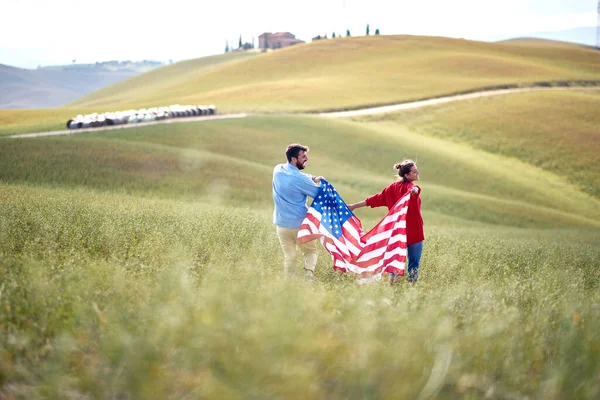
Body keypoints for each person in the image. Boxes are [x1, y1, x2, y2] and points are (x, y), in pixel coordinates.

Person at [348, 160, 424, 283]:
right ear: (407, 175)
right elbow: (413, 188)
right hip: (414, 232)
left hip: (398, 233)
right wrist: (415, 190)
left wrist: (354, 206)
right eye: (415, 172)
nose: (418, 173)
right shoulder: (409, 188)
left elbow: (374, 199)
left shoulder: (392, 188)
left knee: (394, 262)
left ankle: (393, 286)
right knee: (413, 265)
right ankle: (410, 288)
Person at [272, 143, 323, 278]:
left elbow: (297, 175)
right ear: (294, 159)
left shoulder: (278, 170)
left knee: (289, 257)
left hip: (281, 225)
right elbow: (320, 195)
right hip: (300, 225)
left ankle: (288, 281)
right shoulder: (300, 180)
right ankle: (308, 276)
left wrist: (313, 178)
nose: (306, 158)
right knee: (310, 252)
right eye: (303, 156)